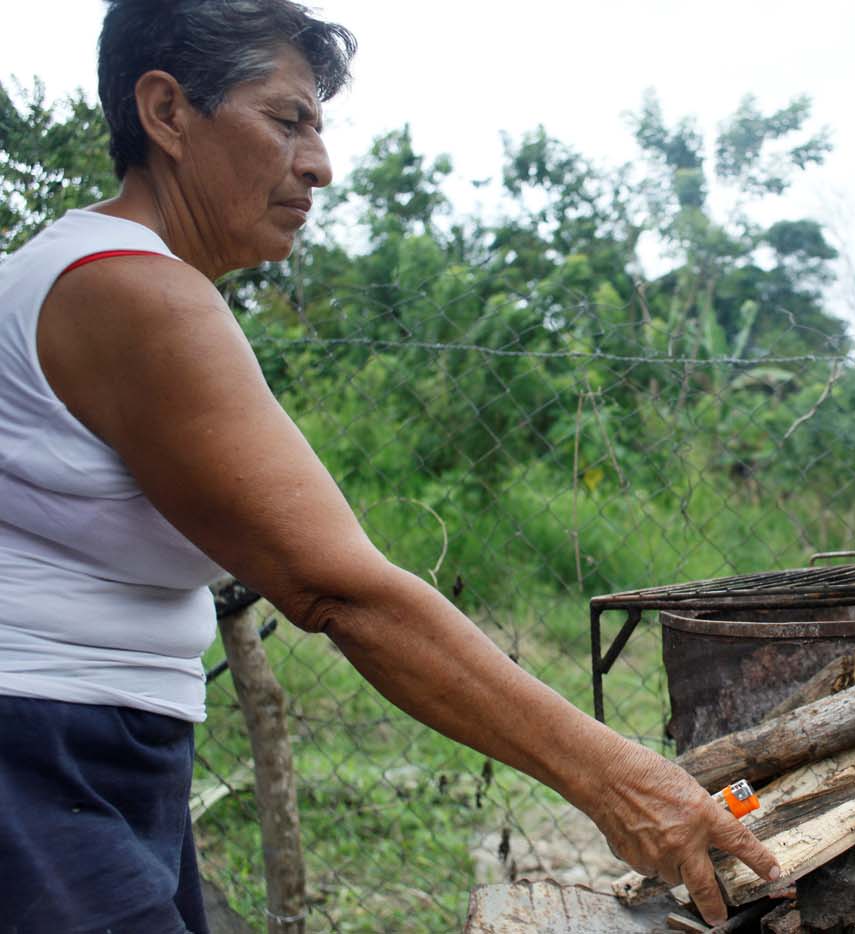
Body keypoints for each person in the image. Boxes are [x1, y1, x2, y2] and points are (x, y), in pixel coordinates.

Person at [0, 1, 780, 930]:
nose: (320, 164)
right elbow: (340, 590)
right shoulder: (132, 293)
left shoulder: (93, 272)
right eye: (286, 120)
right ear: (167, 112)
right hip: (41, 754)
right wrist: (620, 781)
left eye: (319, 128)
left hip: (96, 748)